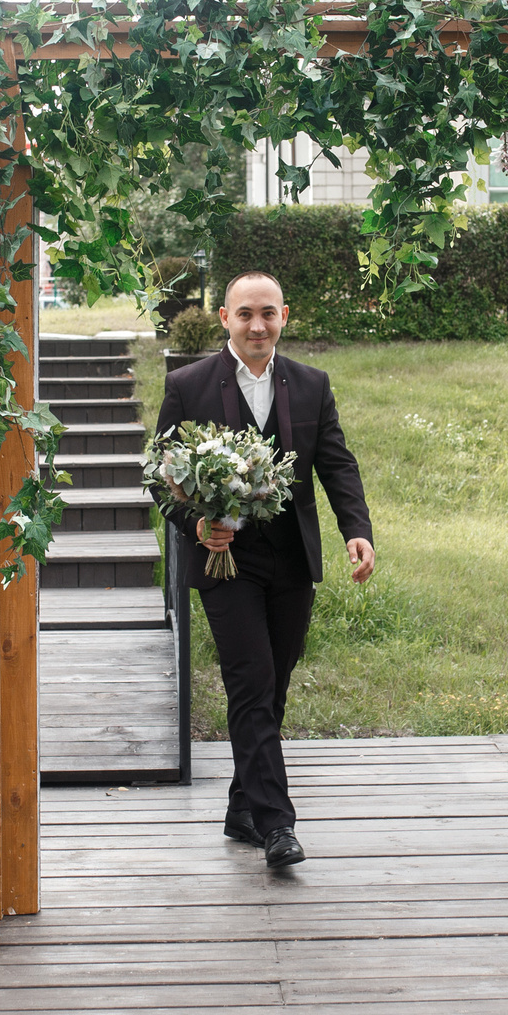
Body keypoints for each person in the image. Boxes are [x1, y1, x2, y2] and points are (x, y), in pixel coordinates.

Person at [152, 271, 375, 868]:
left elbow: (336, 464)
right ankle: (278, 825)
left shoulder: (310, 384)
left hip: (291, 559)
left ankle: (241, 807)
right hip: (226, 563)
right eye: (246, 314)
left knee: (272, 682)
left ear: (284, 316)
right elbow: (160, 476)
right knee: (250, 681)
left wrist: (357, 530)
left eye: (268, 314)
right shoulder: (188, 385)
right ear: (225, 318)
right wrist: (196, 526)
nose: (258, 325)